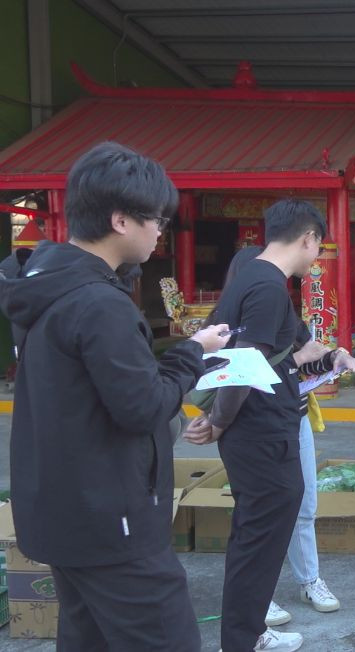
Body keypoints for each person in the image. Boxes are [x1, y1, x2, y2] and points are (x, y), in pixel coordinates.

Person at [0, 142, 231, 650]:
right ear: (121, 220)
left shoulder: (43, 285)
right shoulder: (99, 304)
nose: (160, 231)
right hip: (112, 523)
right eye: (157, 219)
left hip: (63, 512)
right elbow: (143, 407)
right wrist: (192, 352)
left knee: (89, 638)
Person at [184, 198, 328, 652]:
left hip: (255, 430)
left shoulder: (249, 278)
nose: (316, 257)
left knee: (254, 533)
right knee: (260, 537)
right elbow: (243, 365)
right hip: (262, 432)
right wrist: (219, 421)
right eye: (318, 247)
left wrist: (218, 419)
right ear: (308, 238)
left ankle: (246, 632)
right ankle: (244, 639)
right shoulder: (268, 288)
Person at [207, 248, 355, 628]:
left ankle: (309, 580)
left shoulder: (283, 313)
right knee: (258, 516)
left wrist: (335, 358)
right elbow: (223, 379)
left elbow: (308, 357)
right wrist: (216, 420)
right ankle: (261, 598)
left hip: (294, 419)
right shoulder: (224, 327)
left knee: (302, 504)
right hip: (252, 429)